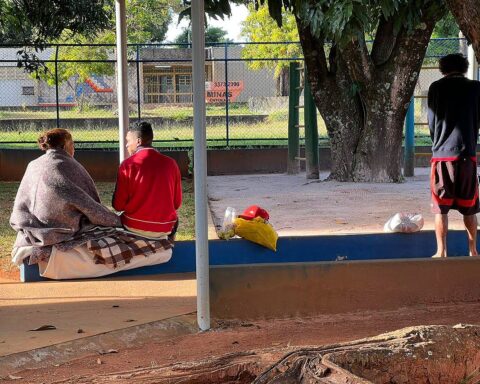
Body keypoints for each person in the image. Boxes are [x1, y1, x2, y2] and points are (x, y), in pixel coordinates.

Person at [10, 128, 121, 257]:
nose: (74, 148)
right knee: (106, 228)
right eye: (72, 144)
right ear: (64, 146)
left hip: (30, 225)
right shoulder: (68, 165)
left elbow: (21, 201)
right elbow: (88, 204)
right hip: (59, 230)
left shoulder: (33, 164)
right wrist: (114, 219)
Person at [427, 53, 480, 258]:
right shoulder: (476, 88)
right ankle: (473, 250)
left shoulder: (436, 88)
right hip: (467, 155)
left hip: (442, 156)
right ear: (464, 67)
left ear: (443, 69)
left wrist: (439, 141)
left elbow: (432, 122)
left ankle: (441, 252)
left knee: (441, 208)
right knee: (470, 207)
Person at [112, 121, 182, 239]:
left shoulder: (127, 165)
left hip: (133, 226)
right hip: (165, 228)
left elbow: (118, 205)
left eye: (128, 141)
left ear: (138, 141)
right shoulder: (171, 164)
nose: (126, 145)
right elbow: (177, 203)